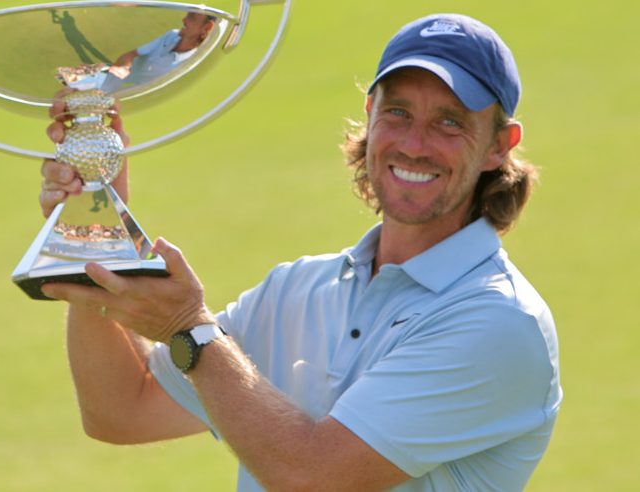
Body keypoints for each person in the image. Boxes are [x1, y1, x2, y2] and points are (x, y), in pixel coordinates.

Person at [38, 13, 562, 491]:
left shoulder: (500, 322)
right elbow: (121, 410)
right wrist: (96, 222)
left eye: (450, 121)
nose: (415, 143)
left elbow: (310, 478)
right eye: (398, 112)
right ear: (370, 114)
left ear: (500, 145)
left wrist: (187, 327)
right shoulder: (297, 289)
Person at [100, 12, 216, 92]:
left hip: (124, 98)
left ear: (206, 28)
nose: (184, 20)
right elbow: (131, 54)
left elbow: (147, 94)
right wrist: (123, 66)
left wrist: (107, 96)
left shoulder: (190, 64)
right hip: (107, 82)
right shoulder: (172, 35)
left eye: (191, 17)